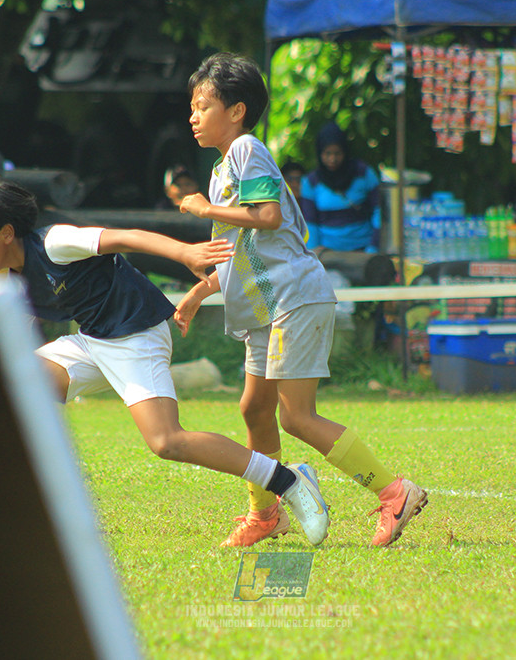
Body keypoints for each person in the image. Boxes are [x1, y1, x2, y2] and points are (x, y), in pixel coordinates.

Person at [0, 170, 331, 545]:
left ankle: (288, 481)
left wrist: (185, 253)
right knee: (17, 384)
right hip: (92, 340)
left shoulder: (55, 242)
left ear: (6, 233)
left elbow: (125, 237)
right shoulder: (11, 274)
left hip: (137, 335)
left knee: (167, 442)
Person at [175, 52, 427, 547]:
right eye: (193, 107)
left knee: (295, 416)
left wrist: (206, 208)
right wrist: (196, 294)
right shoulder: (223, 168)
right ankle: (265, 514)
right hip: (266, 306)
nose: (193, 116)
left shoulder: (247, 149)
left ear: (237, 110)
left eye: (202, 105)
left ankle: (395, 492)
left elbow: (267, 217)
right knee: (253, 409)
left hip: (295, 297)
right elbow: (236, 249)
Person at [299, 121, 381, 253]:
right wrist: (314, 254)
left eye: (337, 153)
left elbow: (378, 210)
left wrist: (373, 247)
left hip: (363, 249)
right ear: (320, 153)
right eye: (327, 154)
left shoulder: (364, 173)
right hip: (328, 253)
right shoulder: (310, 182)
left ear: (345, 151)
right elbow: (310, 223)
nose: (333, 159)